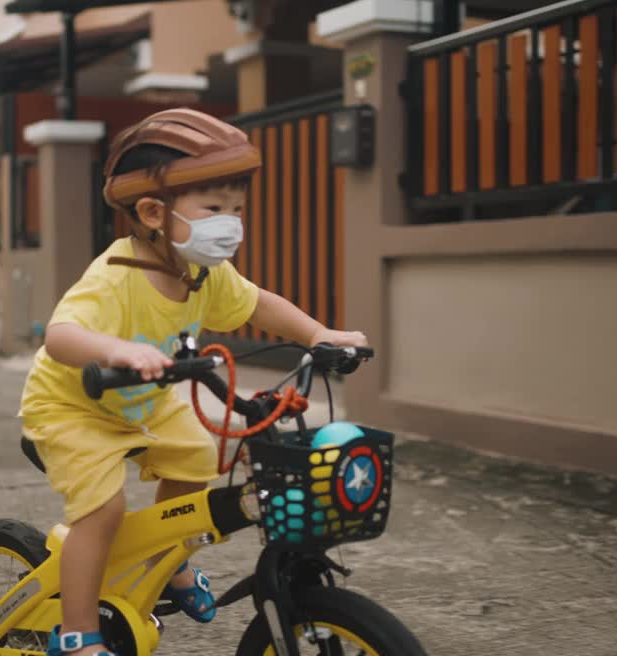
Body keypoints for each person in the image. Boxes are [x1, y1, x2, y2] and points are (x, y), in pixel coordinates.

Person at [19, 108, 368, 656]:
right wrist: (118, 349)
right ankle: (78, 634)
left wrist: (319, 333)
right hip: (74, 408)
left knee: (198, 459)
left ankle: (170, 561)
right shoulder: (115, 277)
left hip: (143, 404)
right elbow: (61, 336)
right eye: (213, 208)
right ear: (154, 212)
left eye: (236, 208)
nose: (229, 221)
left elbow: (259, 304)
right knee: (103, 512)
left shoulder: (201, 272)